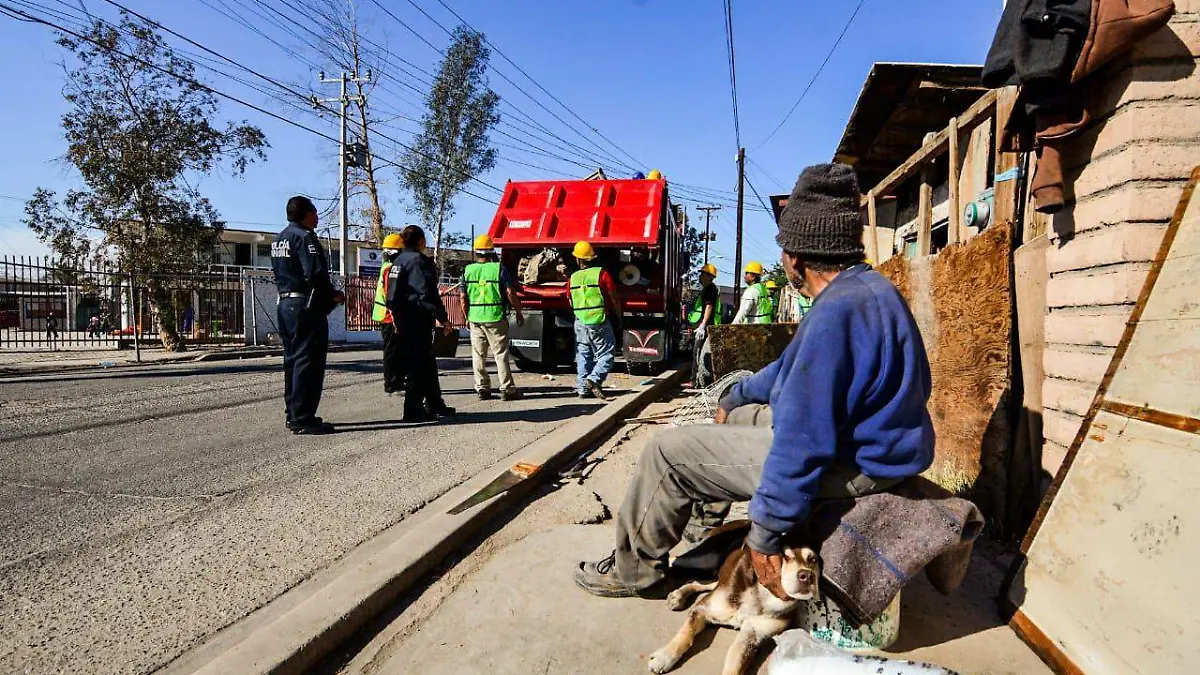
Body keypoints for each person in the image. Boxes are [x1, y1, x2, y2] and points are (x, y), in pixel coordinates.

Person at [574, 163, 935, 599]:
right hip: (874, 449)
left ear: (795, 257)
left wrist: (765, 532)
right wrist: (736, 395)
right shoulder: (870, 291)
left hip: (854, 464)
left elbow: (804, 441)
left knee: (667, 453)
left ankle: (633, 571)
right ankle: (701, 539)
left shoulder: (835, 313)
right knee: (740, 416)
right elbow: (787, 371)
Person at [271, 195, 344, 435]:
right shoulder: (304, 237)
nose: (318, 216)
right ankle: (303, 417)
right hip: (305, 306)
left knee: (292, 360)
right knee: (308, 361)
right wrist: (332, 295)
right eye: (315, 211)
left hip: (285, 304)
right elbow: (314, 273)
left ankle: (293, 413)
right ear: (306, 213)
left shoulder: (280, 238)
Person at [385, 225, 457, 423]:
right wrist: (443, 317)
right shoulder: (418, 261)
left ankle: (434, 403)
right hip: (417, 320)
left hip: (403, 319)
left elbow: (390, 295)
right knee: (417, 365)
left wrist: (397, 318)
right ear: (420, 241)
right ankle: (413, 409)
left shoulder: (398, 261)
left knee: (426, 363)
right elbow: (427, 293)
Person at [461, 234, 525, 401]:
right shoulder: (499, 268)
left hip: (475, 318)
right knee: (500, 354)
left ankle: (482, 388)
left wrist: (466, 316)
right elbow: (510, 292)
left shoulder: (468, 270)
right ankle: (507, 389)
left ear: (476, 252)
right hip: (495, 317)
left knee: (478, 355)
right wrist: (518, 311)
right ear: (491, 252)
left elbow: (462, 297)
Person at [567, 240, 621, 400]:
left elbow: (570, 300)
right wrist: (618, 316)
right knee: (607, 354)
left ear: (577, 259)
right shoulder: (602, 274)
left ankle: (583, 389)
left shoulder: (573, 277)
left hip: (580, 321)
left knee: (584, 355)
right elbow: (613, 297)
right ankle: (594, 378)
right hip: (598, 321)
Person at [374, 232, 405, 396]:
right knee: (392, 351)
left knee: (395, 350)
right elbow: (390, 294)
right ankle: (391, 382)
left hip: (385, 314)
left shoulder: (385, 266)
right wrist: (395, 318)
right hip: (389, 316)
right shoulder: (390, 269)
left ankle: (396, 379)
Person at [686, 263, 721, 388]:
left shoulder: (710, 289)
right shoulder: (709, 289)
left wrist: (702, 325)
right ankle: (698, 380)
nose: (700, 277)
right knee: (700, 353)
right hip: (706, 326)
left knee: (698, 353)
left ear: (709, 276)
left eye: (703, 274)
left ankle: (695, 381)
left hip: (706, 327)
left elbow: (709, 306)